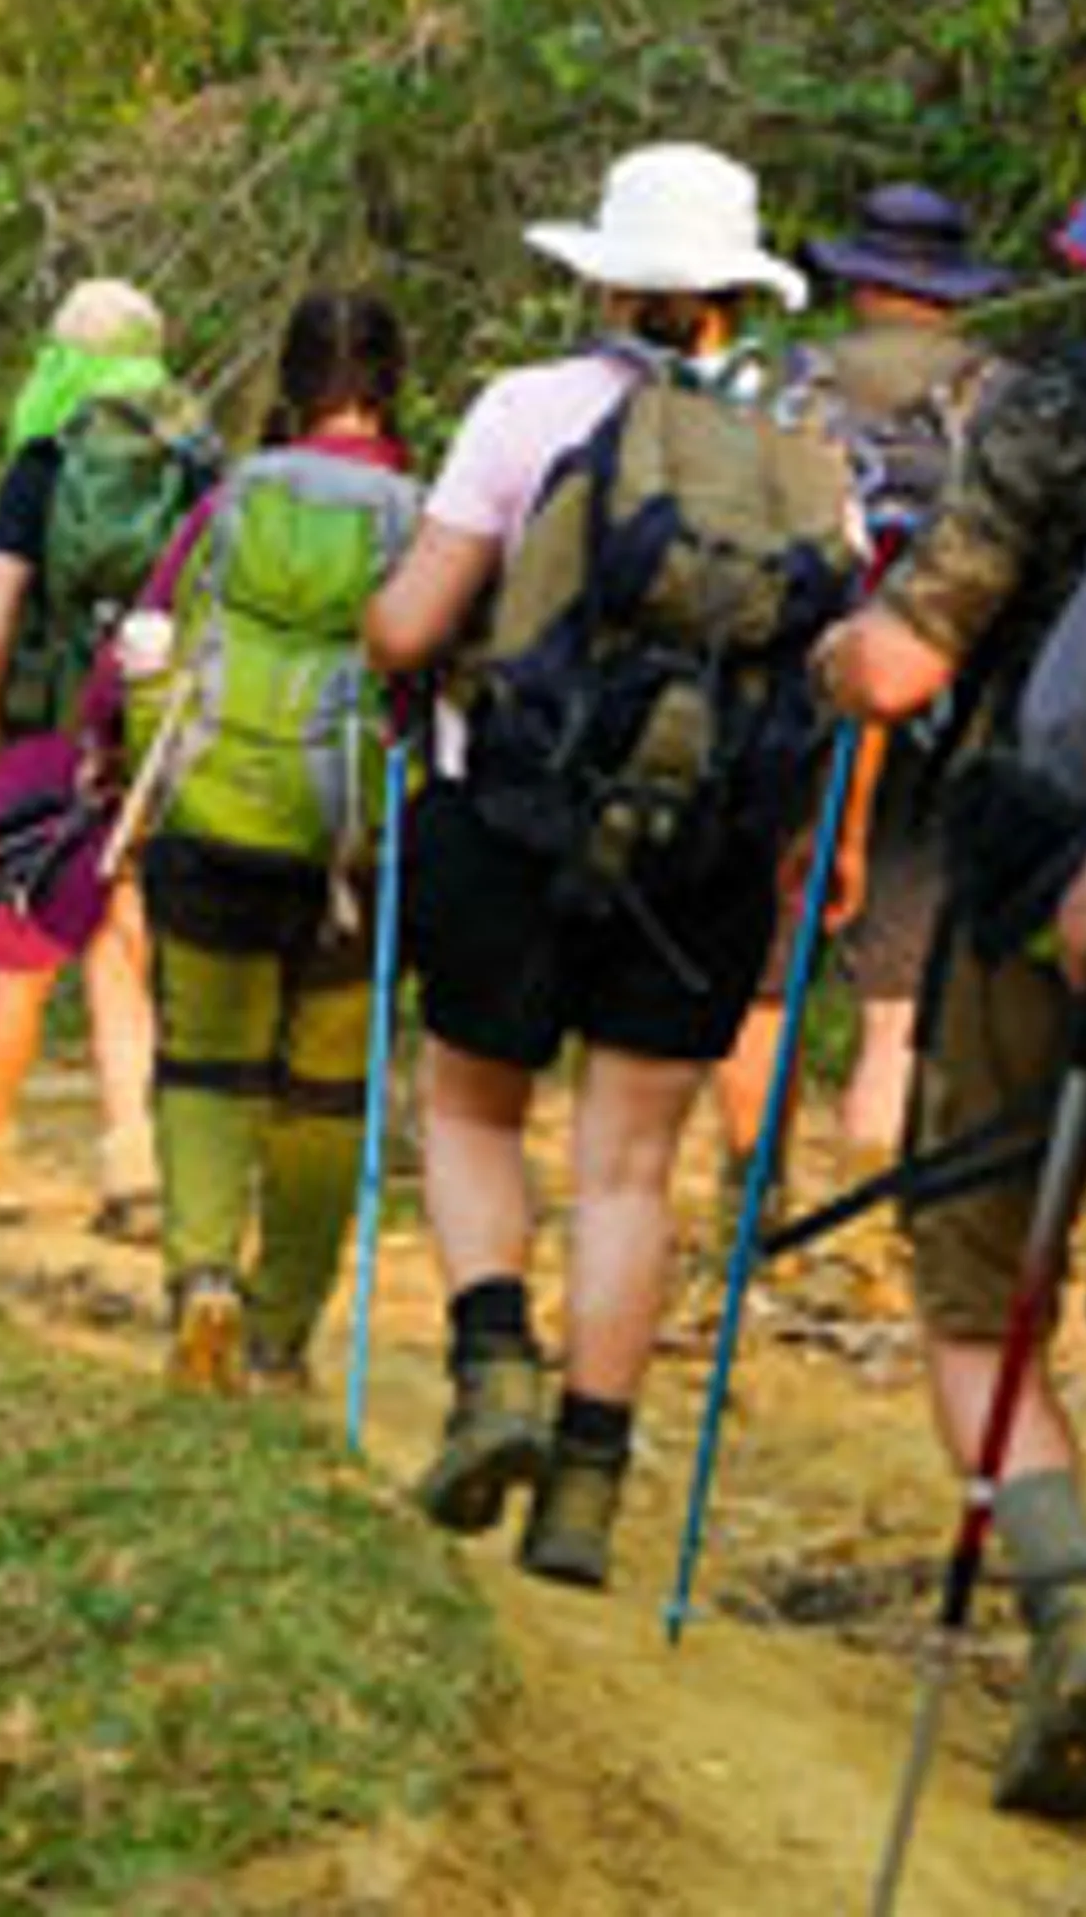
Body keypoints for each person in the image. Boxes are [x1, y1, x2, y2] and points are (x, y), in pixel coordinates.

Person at [361, 143, 854, 1592]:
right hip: (702, 852)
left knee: (471, 1106)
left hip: (512, 818)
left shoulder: (528, 409)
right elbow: (834, 672)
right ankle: (587, 1483)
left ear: (607, 278)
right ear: (734, 293)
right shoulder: (810, 453)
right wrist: (814, 839)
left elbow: (409, 628)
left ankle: (494, 1366)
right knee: (630, 1166)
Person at [819, 103, 1086, 1821]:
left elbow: (900, 669)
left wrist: (840, 650)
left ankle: (1073, 1610)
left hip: (1048, 886)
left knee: (973, 1288)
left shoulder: (1058, 409)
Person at [103, 295, 418, 1393]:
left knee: (204, 1062)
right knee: (323, 1092)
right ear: (392, 386)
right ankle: (281, 1332)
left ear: (290, 381)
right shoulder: (423, 519)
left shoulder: (228, 501)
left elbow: (144, 639)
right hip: (347, 845)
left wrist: (108, 759)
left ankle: (203, 1278)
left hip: (212, 815)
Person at [706, 187, 1010, 1240]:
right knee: (899, 983)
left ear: (857, 279)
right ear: (953, 287)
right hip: (943, 702)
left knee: (760, 970)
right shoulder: (1005, 400)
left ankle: (753, 1202)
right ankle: (856, 1226)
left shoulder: (777, 388)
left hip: (785, 699)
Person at [0, 280, 209, 1237]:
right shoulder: (195, 461)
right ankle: (138, 1168)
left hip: (52, 723)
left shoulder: (42, 465)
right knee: (122, 929)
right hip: (153, 721)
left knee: (33, 929)